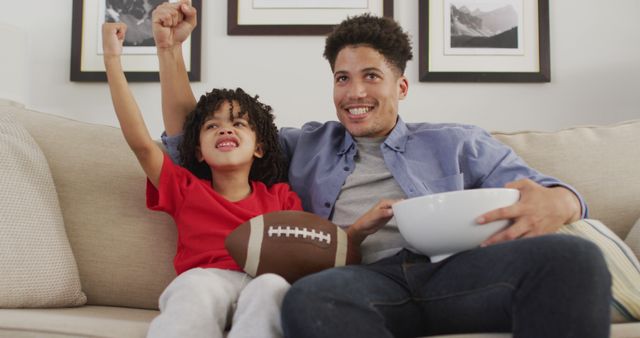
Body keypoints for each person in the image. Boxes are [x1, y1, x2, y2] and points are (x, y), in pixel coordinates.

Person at [152, 2, 612, 338]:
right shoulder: (302, 145)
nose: (355, 92)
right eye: (342, 78)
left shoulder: (457, 141)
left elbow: (553, 193)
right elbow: (197, 143)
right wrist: (170, 51)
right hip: (358, 282)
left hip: (456, 276)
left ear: (401, 85)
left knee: (574, 258)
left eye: (371, 75)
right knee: (307, 299)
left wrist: (559, 202)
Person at [102, 22, 301, 338]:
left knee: (273, 286)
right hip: (206, 278)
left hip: (259, 280)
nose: (225, 130)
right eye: (212, 126)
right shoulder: (185, 189)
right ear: (197, 151)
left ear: (259, 147)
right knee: (194, 287)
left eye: (238, 124)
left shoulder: (280, 197)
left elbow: (300, 251)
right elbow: (141, 144)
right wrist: (113, 60)